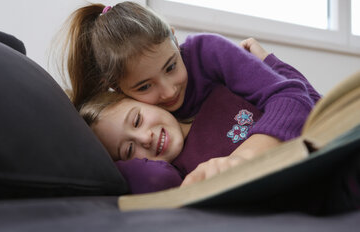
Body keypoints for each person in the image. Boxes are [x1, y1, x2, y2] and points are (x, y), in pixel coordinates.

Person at [59, 2, 321, 187]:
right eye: (144, 87)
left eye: (171, 67)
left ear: (174, 39)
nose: (169, 90)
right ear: (117, 88)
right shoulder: (156, 148)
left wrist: (272, 65)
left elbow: (298, 98)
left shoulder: (206, 53)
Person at [80, 84, 263, 194]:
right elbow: (152, 180)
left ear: (145, 100)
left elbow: (285, 94)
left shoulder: (215, 92)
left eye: (137, 120)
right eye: (129, 150)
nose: (145, 138)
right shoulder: (189, 176)